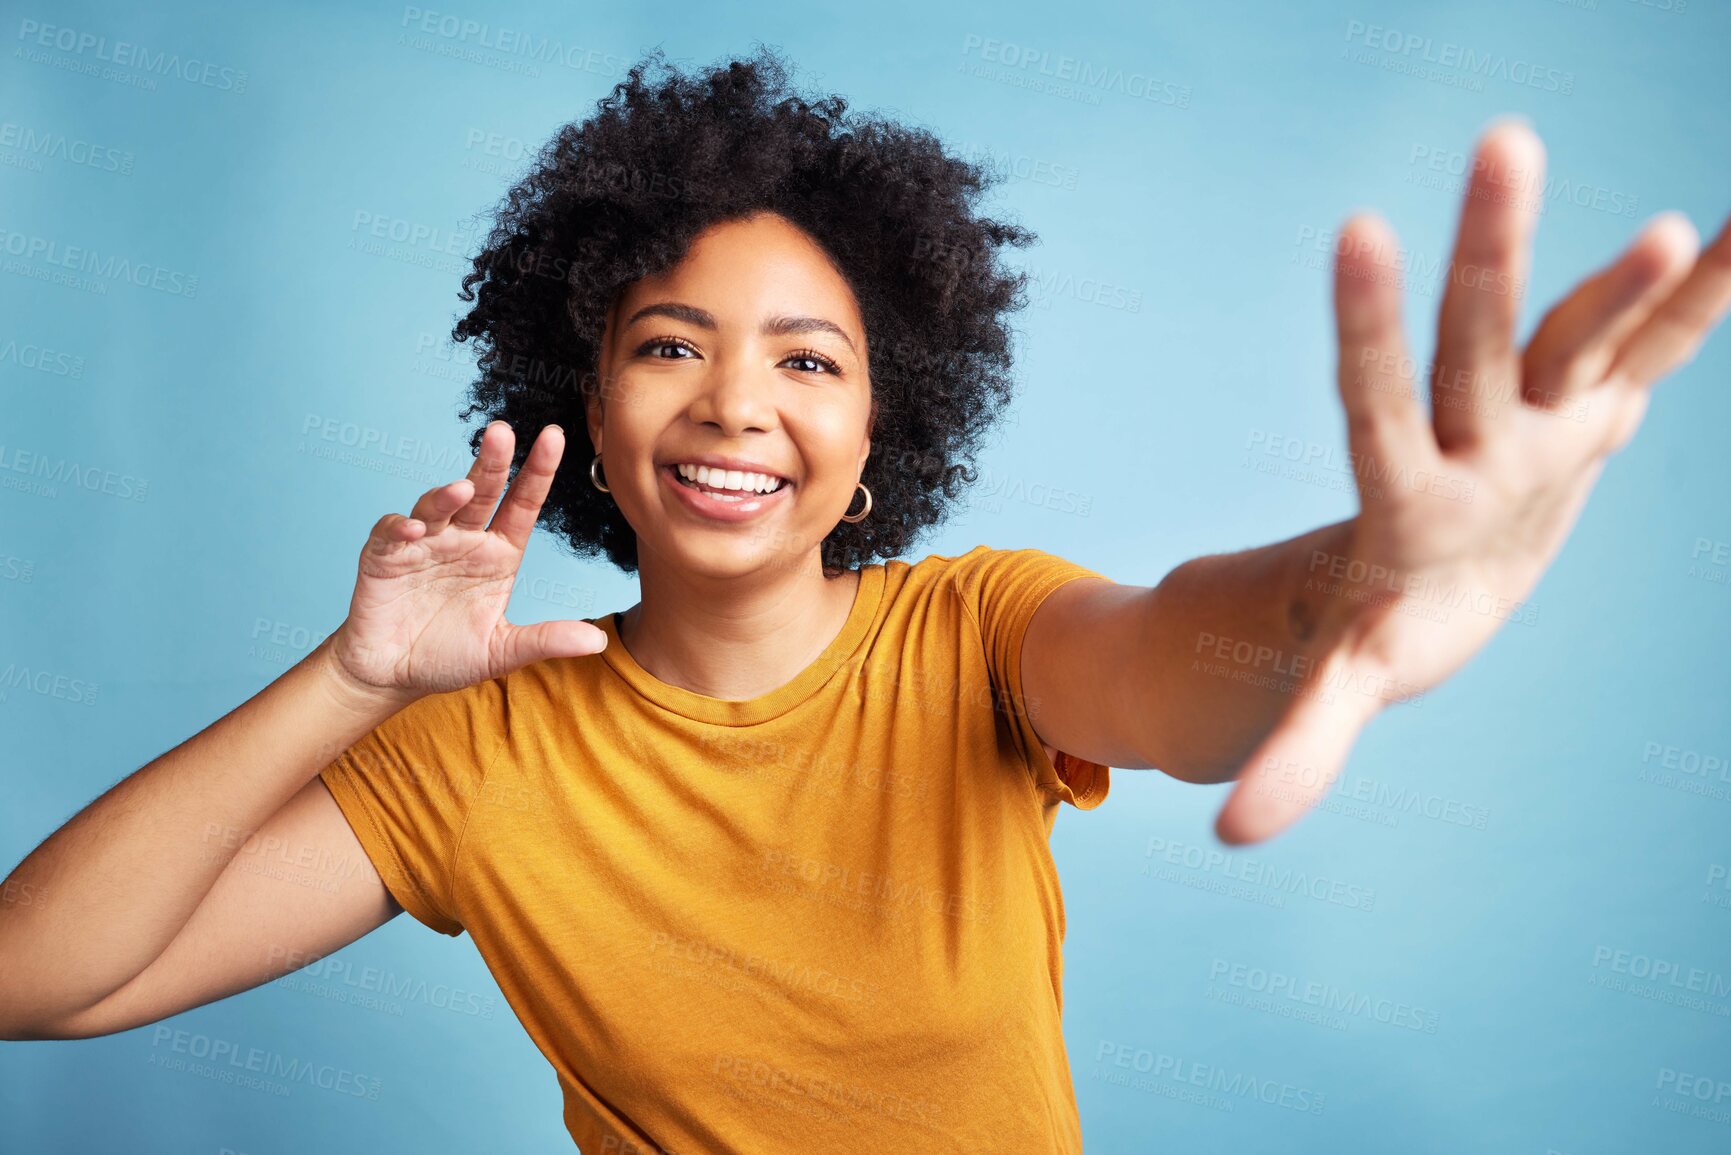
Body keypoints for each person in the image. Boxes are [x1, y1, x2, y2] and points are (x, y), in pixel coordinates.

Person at [2, 45, 1727, 1154]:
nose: (737, 404)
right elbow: (40, 982)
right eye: (668, 346)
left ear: (880, 425)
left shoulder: (976, 638)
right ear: (587, 407)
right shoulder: (480, 748)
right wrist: (353, 673)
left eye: (807, 360)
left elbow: (1188, 658)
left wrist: (1366, 578)